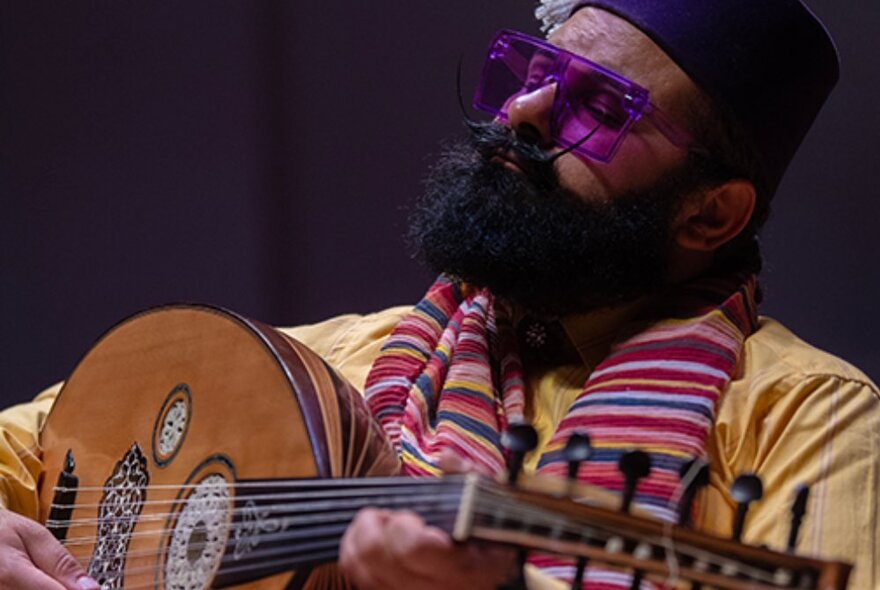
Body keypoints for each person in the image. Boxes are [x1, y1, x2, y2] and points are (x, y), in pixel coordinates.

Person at [1, 0, 878, 589]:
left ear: (709, 213)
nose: (523, 114)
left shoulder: (805, 421)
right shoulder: (339, 363)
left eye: (600, 109)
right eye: (534, 71)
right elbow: (32, 448)